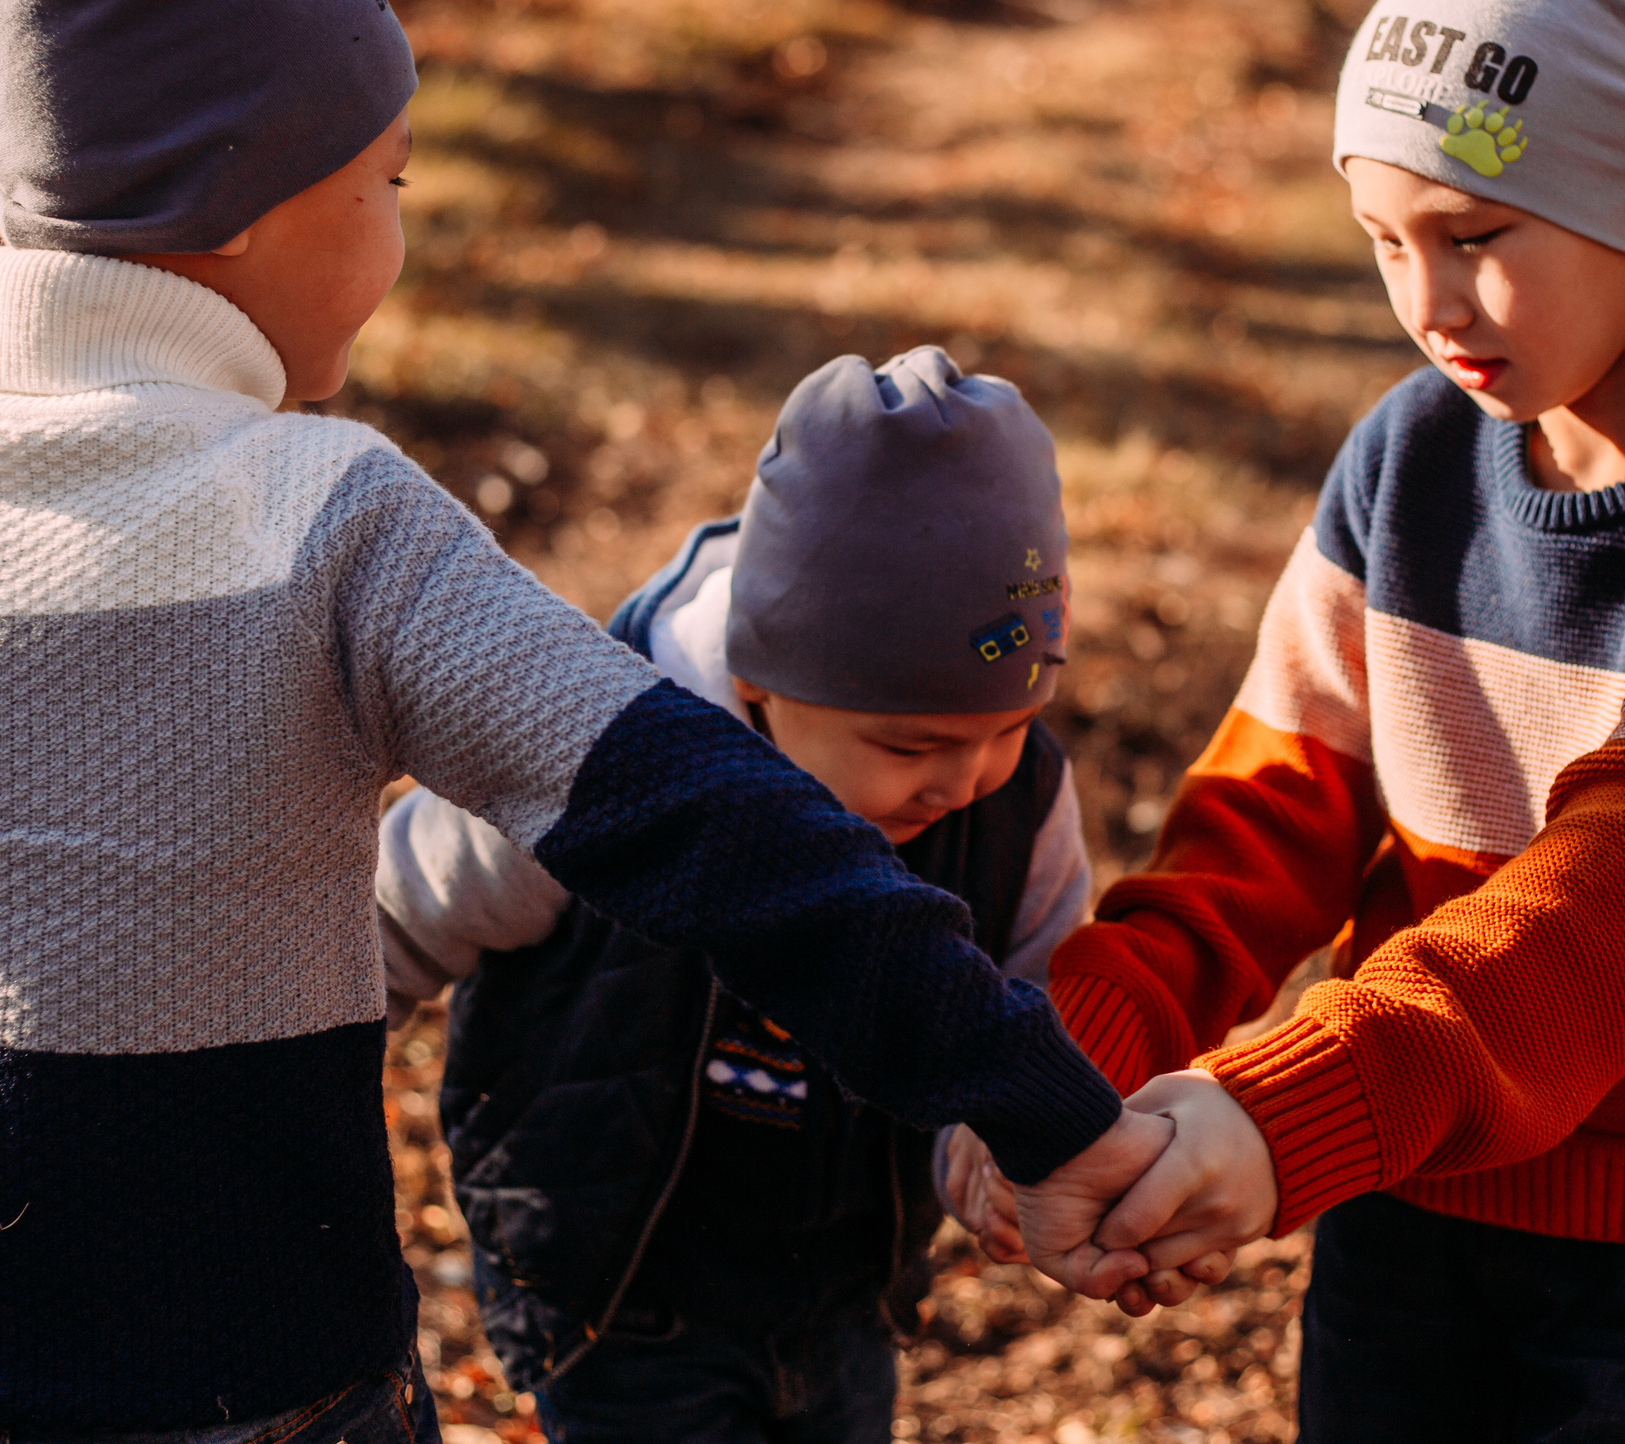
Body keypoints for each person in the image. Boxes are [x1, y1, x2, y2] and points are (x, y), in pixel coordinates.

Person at [0, 0, 1164, 1444]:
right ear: (248, 203)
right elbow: (709, 815)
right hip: (246, 1368)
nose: (398, 239)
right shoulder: (330, 514)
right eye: (386, 183)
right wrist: (1031, 1094)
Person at [1003, 0, 1625, 1438]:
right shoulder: (1411, 456)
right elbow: (1269, 813)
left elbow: (1621, 901)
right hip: (1410, 1180)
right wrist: (1064, 1056)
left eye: (1475, 238)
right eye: (1382, 242)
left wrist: (1281, 1109)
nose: (1426, 305)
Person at [377, 348, 1091, 1442]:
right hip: (620, 1290)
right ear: (759, 686)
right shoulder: (595, 760)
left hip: (844, 1288)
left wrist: (988, 1148)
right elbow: (388, 914)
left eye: (1005, 732)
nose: (961, 780)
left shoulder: (1020, 801)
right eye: (909, 744)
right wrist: (261, 1087)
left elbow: (1033, 992)